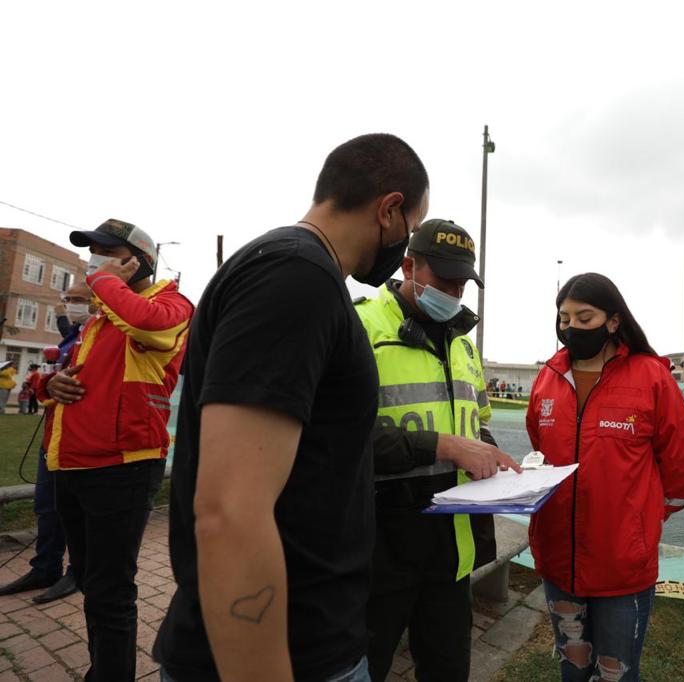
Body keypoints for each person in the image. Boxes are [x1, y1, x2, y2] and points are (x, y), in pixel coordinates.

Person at [153, 133, 430, 682]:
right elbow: (230, 513)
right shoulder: (295, 278)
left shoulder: (299, 273)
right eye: (412, 229)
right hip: (288, 652)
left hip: (314, 638)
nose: (405, 247)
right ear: (390, 209)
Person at [356, 219, 521, 682]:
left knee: (448, 669)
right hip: (379, 548)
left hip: (451, 550)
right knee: (364, 668)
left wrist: (493, 455)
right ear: (408, 265)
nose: (452, 291)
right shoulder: (362, 324)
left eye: (461, 282)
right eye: (443, 278)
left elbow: (476, 423)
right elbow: (337, 437)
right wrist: (442, 445)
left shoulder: (464, 346)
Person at [526, 273, 684, 682]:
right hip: (558, 559)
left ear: (614, 321)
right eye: (564, 318)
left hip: (622, 565)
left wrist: (645, 519)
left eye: (585, 317)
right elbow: (540, 443)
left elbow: (679, 458)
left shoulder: (651, 377)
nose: (571, 327)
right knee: (574, 667)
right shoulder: (549, 376)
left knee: (615, 674)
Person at [42, 218, 193, 681]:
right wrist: (51, 383)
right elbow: (79, 375)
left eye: (106, 251)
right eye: (93, 251)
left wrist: (103, 279)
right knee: (91, 580)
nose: (95, 259)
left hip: (123, 466)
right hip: (73, 463)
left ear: (137, 262)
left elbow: (148, 323)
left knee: (110, 590)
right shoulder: (102, 316)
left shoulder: (172, 304)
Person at [0, 283, 94, 603]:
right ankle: (45, 567)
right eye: (68, 300)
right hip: (53, 434)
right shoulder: (71, 337)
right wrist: (46, 382)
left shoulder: (101, 334)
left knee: (75, 510)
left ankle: (75, 572)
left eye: (78, 300)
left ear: (97, 303)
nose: (70, 305)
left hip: (81, 438)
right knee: (47, 504)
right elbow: (56, 374)